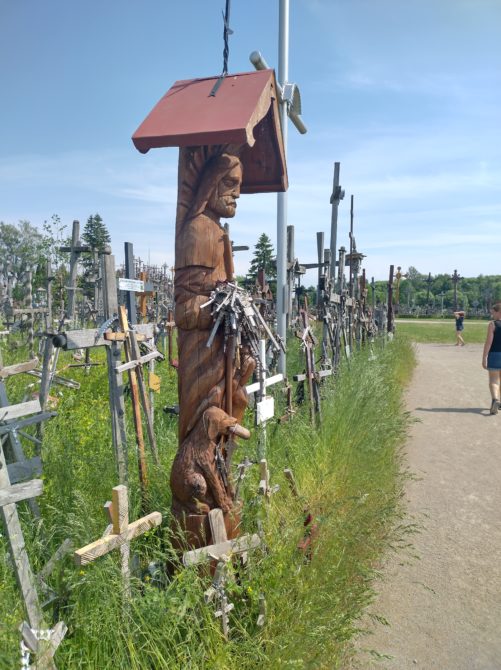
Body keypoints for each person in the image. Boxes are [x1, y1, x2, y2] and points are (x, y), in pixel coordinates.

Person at [482, 302, 501, 415]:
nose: (492, 314)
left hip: (494, 354)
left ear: (498, 312)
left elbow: (488, 343)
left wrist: (484, 357)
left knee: (493, 380)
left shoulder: (493, 324)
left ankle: (495, 400)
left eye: (493, 312)